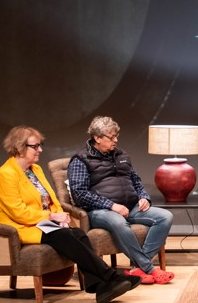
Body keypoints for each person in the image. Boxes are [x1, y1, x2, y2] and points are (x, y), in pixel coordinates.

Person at [0, 126, 140, 303]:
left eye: (40, 145)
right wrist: (52, 218)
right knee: (63, 235)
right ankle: (110, 277)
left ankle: (100, 287)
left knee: (78, 234)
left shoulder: (34, 170)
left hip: (41, 223)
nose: (40, 149)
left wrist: (61, 215)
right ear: (19, 148)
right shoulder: (6, 175)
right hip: (21, 227)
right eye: (35, 146)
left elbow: (51, 199)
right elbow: (18, 212)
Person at [68, 116, 175, 285]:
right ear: (97, 138)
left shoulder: (122, 155)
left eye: (116, 136)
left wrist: (143, 197)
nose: (116, 140)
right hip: (100, 211)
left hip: (131, 206)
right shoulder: (81, 159)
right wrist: (111, 205)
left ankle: (139, 269)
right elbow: (79, 193)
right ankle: (150, 268)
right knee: (118, 222)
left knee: (165, 216)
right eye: (111, 137)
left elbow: (136, 180)